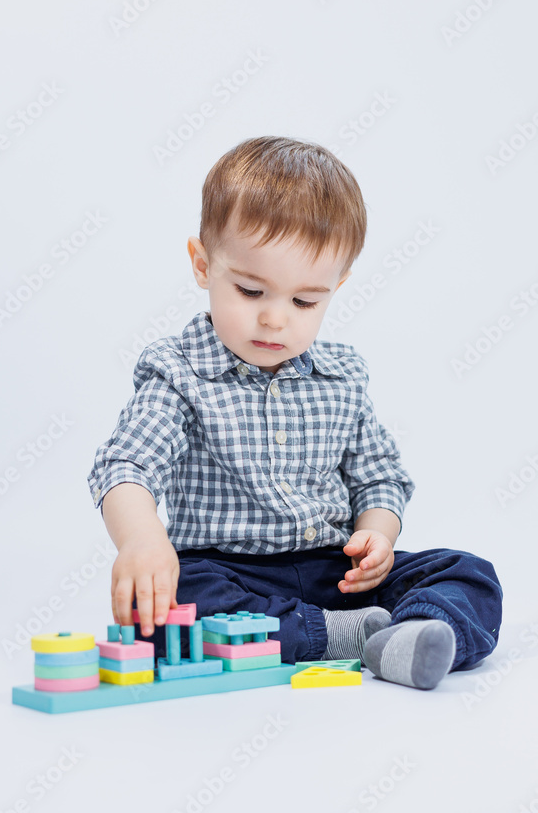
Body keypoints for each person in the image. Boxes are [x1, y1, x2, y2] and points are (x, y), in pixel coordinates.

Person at [87, 136, 502, 690]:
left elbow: (379, 476)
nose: (276, 320)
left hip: (337, 571)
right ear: (203, 265)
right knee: (166, 612)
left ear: (337, 286)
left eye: (305, 301)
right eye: (252, 290)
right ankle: (340, 637)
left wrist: (376, 536)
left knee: (470, 573)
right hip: (227, 573)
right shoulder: (178, 371)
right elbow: (127, 464)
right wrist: (142, 539)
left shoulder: (342, 376)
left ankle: (414, 634)